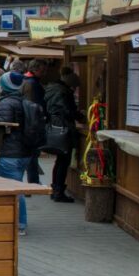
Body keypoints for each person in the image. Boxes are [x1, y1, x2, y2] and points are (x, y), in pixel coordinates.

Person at [0, 72, 31, 235]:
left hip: (10, 152)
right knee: (17, 186)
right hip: (24, 152)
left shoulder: (6, 103)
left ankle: (19, 224)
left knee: (14, 189)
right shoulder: (24, 101)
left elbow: (0, 127)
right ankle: (18, 222)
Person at [44, 67, 81, 203]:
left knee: (59, 160)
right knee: (63, 160)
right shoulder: (64, 91)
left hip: (54, 127)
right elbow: (68, 111)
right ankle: (58, 191)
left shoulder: (51, 88)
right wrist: (81, 117)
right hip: (64, 128)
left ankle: (55, 189)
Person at [21, 60, 47, 185]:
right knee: (32, 153)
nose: (43, 73)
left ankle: (34, 180)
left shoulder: (25, 80)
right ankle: (34, 181)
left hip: (28, 119)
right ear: (36, 70)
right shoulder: (32, 83)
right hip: (33, 120)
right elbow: (37, 104)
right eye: (42, 70)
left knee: (31, 152)